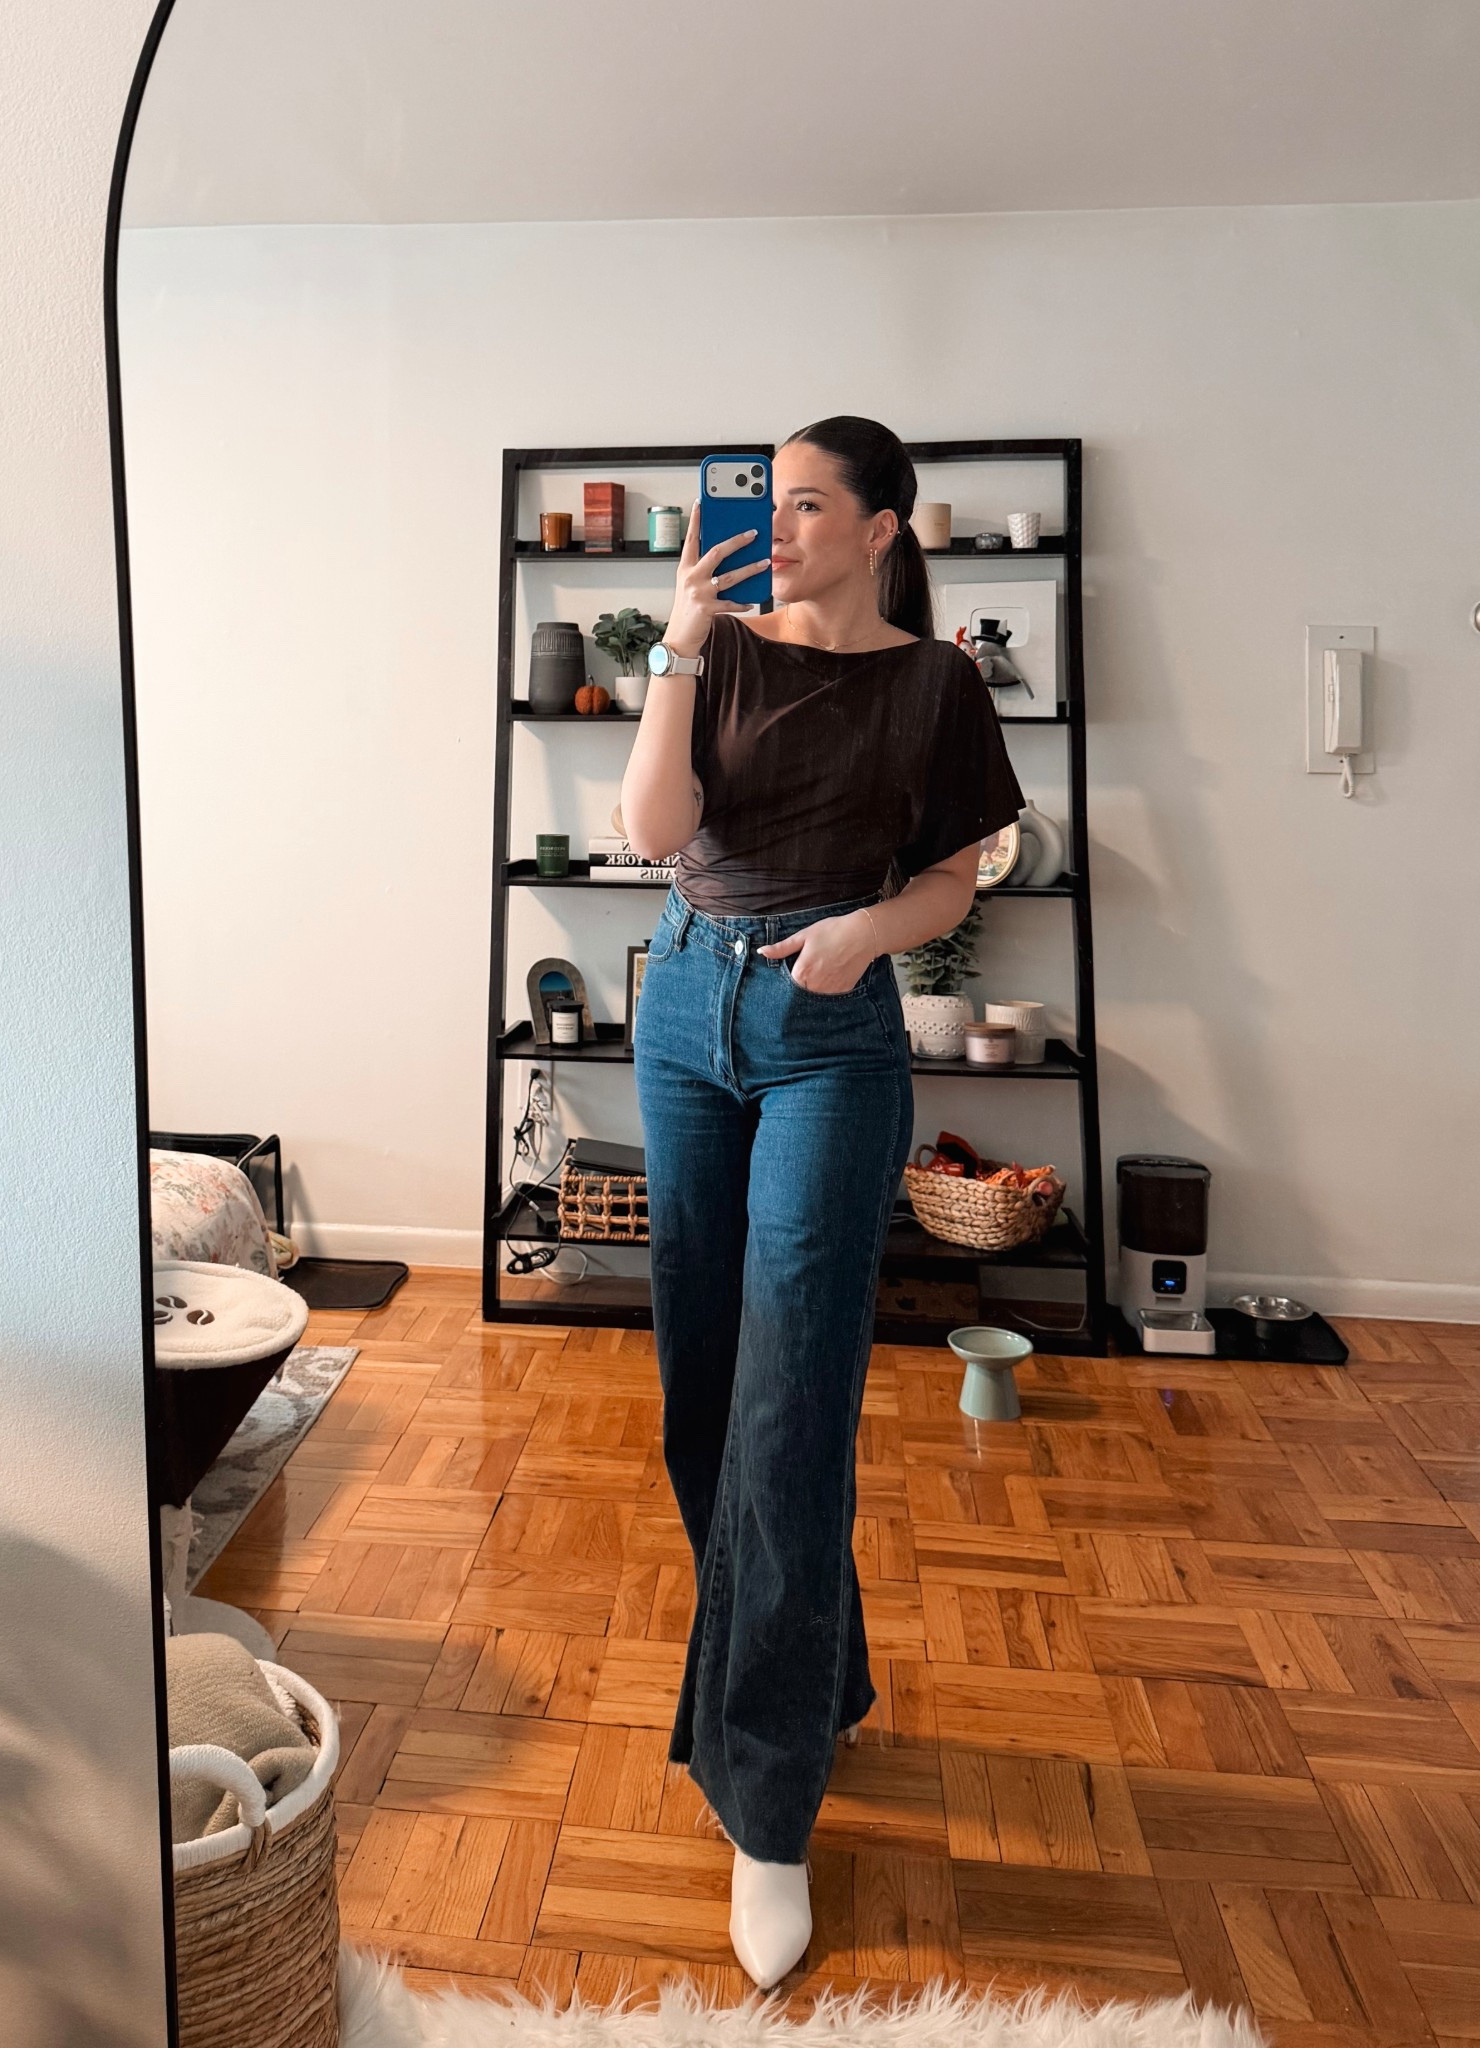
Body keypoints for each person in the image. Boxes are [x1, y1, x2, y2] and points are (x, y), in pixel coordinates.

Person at [620, 417, 1025, 1987]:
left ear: (879, 528)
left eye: (805, 505)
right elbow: (654, 833)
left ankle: (768, 1802)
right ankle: (819, 1674)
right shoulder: (714, 651)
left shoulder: (935, 685)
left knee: (791, 1405)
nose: (775, 527)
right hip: (684, 1009)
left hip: (828, 1032)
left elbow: (956, 876)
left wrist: (864, 934)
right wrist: (676, 644)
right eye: (764, 501)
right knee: (703, 1401)